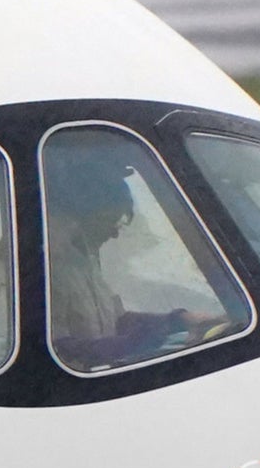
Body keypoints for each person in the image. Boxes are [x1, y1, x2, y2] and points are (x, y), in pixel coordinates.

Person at [43, 157, 227, 372]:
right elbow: (59, 349)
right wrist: (137, 343)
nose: (113, 233)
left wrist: (179, 321)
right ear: (83, 216)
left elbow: (118, 321)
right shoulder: (50, 271)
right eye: (108, 221)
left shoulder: (87, 263)